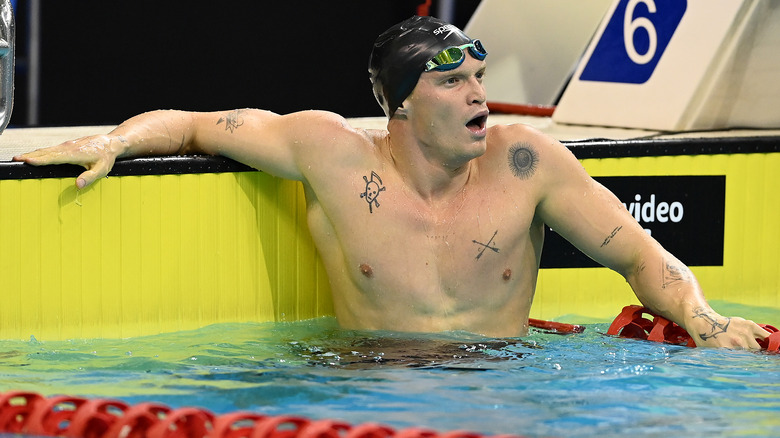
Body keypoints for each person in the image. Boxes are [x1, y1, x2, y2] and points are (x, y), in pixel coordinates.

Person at [14, 16, 769, 348]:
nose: (481, 94)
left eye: (481, 77)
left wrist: (702, 320)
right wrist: (114, 141)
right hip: (363, 387)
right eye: (456, 83)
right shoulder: (332, 155)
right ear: (402, 101)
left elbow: (641, 255)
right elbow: (191, 122)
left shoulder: (524, 161)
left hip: (499, 385)